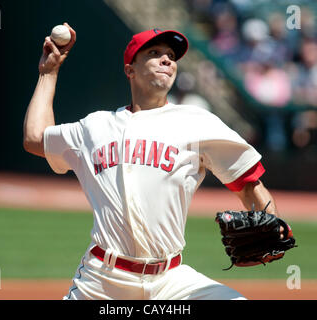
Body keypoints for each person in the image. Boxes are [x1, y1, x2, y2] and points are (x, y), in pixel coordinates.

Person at [23, 24, 284, 300]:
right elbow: (34, 138)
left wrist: (270, 226)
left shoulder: (197, 122)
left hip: (171, 282)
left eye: (171, 55)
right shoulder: (94, 127)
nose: (167, 59)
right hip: (102, 281)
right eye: (155, 52)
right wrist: (48, 73)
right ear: (130, 70)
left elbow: (248, 183)